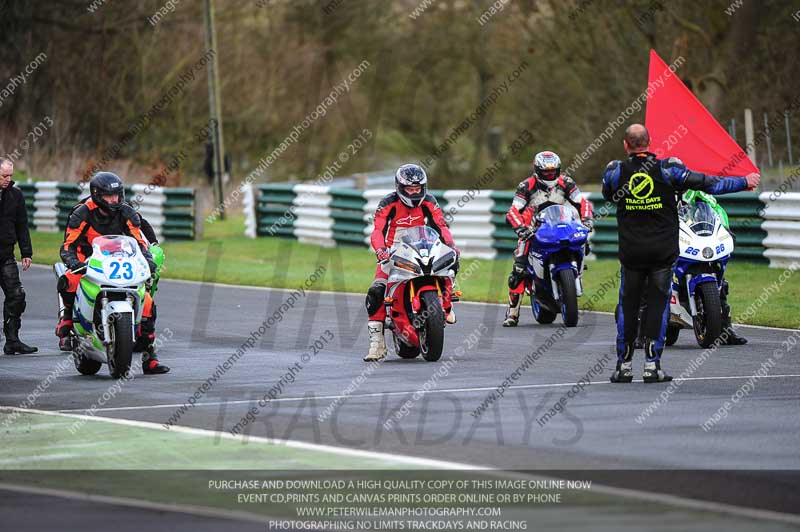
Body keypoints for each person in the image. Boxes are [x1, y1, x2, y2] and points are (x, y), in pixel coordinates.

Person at [602, 124, 758, 383]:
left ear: (625, 145)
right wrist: (743, 182)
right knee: (658, 307)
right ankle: (652, 367)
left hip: (632, 252)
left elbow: (608, 194)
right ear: (649, 143)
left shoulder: (615, 171)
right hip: (662, 252)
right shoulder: (668, 169)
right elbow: (709, 183)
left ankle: (624, 367)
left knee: (628, 308)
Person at [55, 172, 169, 374]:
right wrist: (73, 262)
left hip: (117, 260)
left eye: (117, 195)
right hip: (87, 260)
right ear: (97, 194)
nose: (114, 200)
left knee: (148, 304)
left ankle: (149, 357)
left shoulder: (127, 212)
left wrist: (149, 260)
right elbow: (68, 245)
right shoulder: (82, 212)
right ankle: (67, 317)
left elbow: (140, 241)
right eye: (109, 196)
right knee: (70, 280)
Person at [364, 164, 458, 362]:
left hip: (422, 244)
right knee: (376, 291)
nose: (415, 193)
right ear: (400, 187)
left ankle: (446, 307)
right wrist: (381, 250)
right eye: (410, 189)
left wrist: (451, 246)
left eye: (418, 189)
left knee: (451, 262)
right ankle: (377, 343)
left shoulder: (430, 201)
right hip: (393, 251)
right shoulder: (387, 203)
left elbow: (441, 226)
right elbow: (377, 230)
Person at [502, 151, 594, 326]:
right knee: (519, 269)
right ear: (538, 170)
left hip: (561, 225)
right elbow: (513, 210)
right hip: (532, 230)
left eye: (553, 172)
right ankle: (512, 314)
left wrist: (587, 219)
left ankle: (576, 276)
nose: (550, 175)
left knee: (582, 244)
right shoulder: (526, 186)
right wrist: (521, 228)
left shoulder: (566, 182)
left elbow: (583, 202)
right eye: (546, 172)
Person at [682, 190, 747, 344]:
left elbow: (716, 209)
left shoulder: (697, 190)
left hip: (698, 240)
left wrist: (725, 230)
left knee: (720, 283)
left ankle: (726, 331)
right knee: (653, 277)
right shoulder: (661, 188)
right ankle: (640, 332)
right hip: (668, 237)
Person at [0, 158, 37, 355]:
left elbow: (22, 225)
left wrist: (26, 253)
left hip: (5, 256)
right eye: (4, 175)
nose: (8, 179)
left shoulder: (15, 195)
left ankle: (12, 340)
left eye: (10, 176)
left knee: (16, 295)